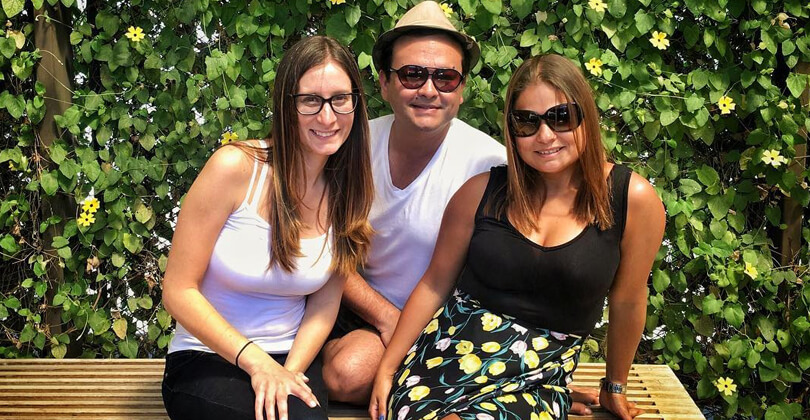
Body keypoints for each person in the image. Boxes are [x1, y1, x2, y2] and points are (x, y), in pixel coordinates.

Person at [369, 54, 667, 420]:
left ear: (586, 117)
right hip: (448, 351)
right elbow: (434, 284)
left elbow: (628, 301)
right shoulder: (481, 192)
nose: (544, 136)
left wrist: (614, 386)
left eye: (561, 118)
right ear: (511, 130)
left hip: (542, 369)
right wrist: (388, 369)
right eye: (527, 122)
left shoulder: (631, 199)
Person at [160, 36, 374, 420]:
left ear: (356, 103)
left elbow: (325, 304)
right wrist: (256, 362)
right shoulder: (235, 169)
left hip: (291, 357)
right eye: (311, 100)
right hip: (208, 355)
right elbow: (177, 291)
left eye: (340, 99)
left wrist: (288, 371)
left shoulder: (349, 191)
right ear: (286, 105)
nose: (328, 117)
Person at [320, 0, 506, 405]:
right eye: (412, 74)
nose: (428, 90)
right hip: (362, 314)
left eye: (446, 77)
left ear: (462, 90)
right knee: (348, 375)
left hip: (449, 323)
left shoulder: (490, 165)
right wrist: (389, 319)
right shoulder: (351, 147)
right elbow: (323, 249)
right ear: (385, 83)